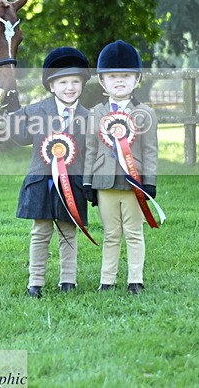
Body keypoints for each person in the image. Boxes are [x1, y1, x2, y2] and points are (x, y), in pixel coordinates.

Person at [8, 47, 93, 298]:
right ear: (51, 86)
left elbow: (90, 153)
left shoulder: (88, 116)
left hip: (73, 183)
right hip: (41, 181)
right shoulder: (35, 111)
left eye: (75, 82)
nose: (70, 87)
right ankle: (35, 282)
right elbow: (22, 137)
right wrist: (12, 115)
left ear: (82, 84)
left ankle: (68, 280)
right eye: (63, 82)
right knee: (40, 232)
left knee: (68, 230)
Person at [83, 40, 160, 295]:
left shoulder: (145, 113)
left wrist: (149, 182)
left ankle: (135, 279)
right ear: (102, 82)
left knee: (134, 232)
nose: (119, 81)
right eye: (113, 76)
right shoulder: (95, 113)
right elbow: (91, 150)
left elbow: (150, 150)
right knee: (111, 233)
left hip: (133, 183)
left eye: (125, 76)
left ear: (136, 79)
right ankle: (107, 280)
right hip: (104, 183)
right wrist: (87, 182)